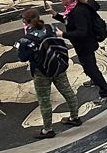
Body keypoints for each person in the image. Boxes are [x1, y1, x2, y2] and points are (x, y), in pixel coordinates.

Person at [18, 9, 80, 139]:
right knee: (68, 91)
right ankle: (75, 117)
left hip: (41, 72)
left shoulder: (26, 39)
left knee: (44, 100)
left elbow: (22, 57)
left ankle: (48, 129)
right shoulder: (50, 27)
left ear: (25, 22)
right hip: (58, 66)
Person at [47, 0, 107, 100]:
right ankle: (95, 80)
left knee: (90, 68)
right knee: (91, 66)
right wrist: (54, 13)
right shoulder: (73, 8)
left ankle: (106, 92)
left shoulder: (78, 11)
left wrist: (63, 35)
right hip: (84, 44)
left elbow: (82, 32)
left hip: (85, 45)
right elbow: (69, 21)